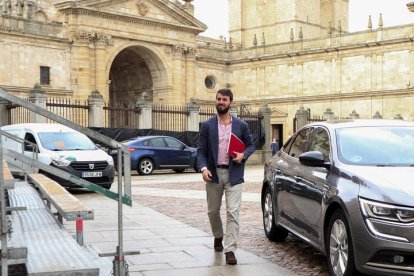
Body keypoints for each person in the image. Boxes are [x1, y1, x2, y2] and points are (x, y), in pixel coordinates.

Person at [197, 88, 255, 265]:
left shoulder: (241, 125)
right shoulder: (207, 126)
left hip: (234, 174)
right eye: (218, 99)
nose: (220, 102)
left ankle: (230, 249)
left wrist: (243, 155)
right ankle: (218, 235)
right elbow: (201, 152)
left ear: (230, 102)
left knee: (233, 213)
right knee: (212, 211)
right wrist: (203, 168)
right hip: (213, 174)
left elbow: (251, 145)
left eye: (224, 99)